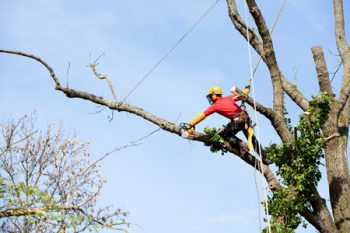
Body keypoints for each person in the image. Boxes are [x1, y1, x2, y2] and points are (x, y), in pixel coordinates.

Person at [186, 81, 271, 164]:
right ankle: (265, 157)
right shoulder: (229, 98)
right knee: (252, 139)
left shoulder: (215, 106)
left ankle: (242, 145)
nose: (211, 98)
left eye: (211, 96)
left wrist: (190, 124)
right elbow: (244, 94)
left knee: (223, 135)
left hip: (238, 121)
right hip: (246, 119)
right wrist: (247, 87)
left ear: (215, 95)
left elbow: (202, 115)